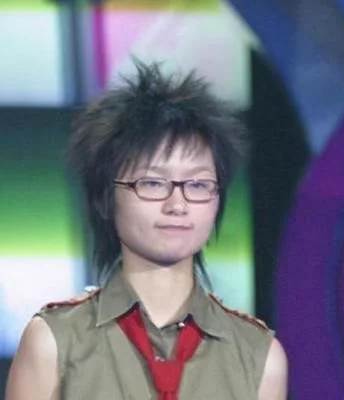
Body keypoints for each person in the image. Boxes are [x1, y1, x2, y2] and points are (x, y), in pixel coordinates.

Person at [6, 62, 288, 400]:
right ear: (106, 197)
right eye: (153, 183)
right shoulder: (54, 341)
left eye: (198, 185)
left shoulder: (258, 355)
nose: (177, 204)